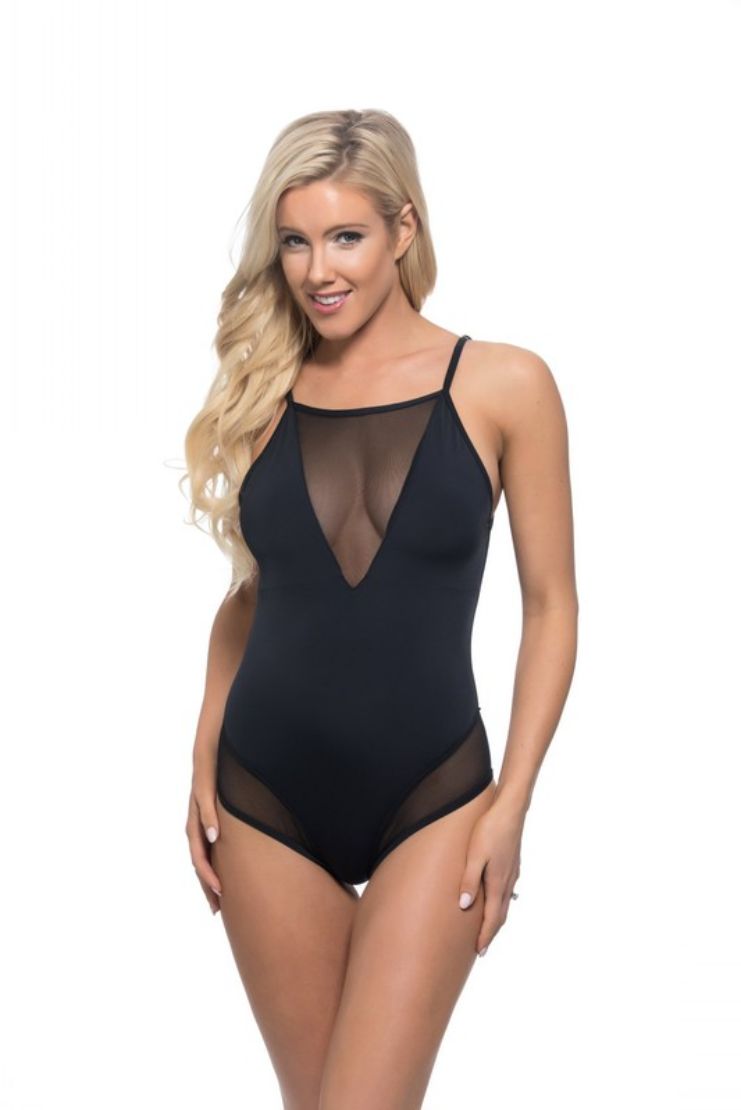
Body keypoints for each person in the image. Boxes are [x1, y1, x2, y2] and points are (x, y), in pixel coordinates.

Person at [182, 107, 578, 1110]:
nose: (318, 270)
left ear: (404, 228)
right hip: (262, 796)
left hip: (435, 795)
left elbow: (550, 606)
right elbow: (252, 595)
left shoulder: (504, 383)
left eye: (346, 237)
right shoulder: (264, 392)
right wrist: (201, 754)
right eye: (295, 242)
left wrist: (513, 802)